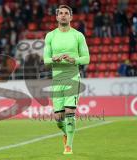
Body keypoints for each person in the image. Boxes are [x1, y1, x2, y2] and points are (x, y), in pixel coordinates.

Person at [43, 5, 90, 154]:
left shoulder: (78, 35)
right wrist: (53, 59)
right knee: (58, 118)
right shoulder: (50, 36)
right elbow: (45, 60)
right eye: (60, 13)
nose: (63, 16)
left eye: (66, 13)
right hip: (57, 80)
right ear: (57, 17)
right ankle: (65, 133)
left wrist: (74, 60)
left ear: (71, 17)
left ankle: (69, 146)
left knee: (70, 112)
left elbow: (87, 58)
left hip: (72, 78)